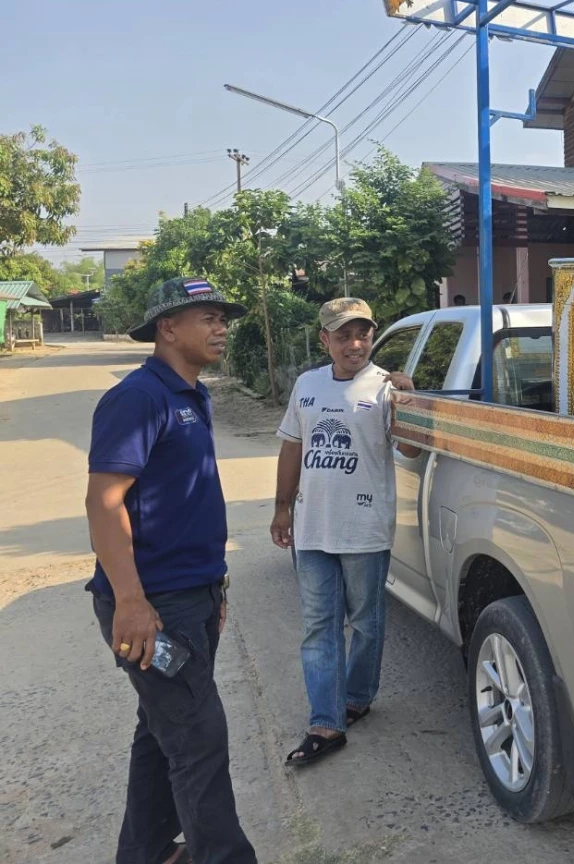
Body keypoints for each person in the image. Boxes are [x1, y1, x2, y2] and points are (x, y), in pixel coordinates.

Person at [86, 277, 257, 864]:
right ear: (167, 327)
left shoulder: (192, 395)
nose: (221, 328)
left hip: (192, 596)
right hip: (154, 605)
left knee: (162, 731)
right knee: (198, 738)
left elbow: (186, 503)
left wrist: (215, 586)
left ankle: (149, 851)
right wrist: (131, 601)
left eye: (223, 318)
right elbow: (104, 502)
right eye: (208, 318)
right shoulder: (139, 398)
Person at [270, 297, 420, 766]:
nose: (354, 344)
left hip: (364, 529)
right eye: (343, 336)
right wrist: (281, 508)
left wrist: (410, 403)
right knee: (320, 626)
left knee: (367, 623)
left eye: (362, 335)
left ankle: (357, 696)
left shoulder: (386, 387)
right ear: (325, 340)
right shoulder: (307, 385)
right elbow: (292, 448)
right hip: (312, 526)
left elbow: (412, 451)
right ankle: (326, 722)